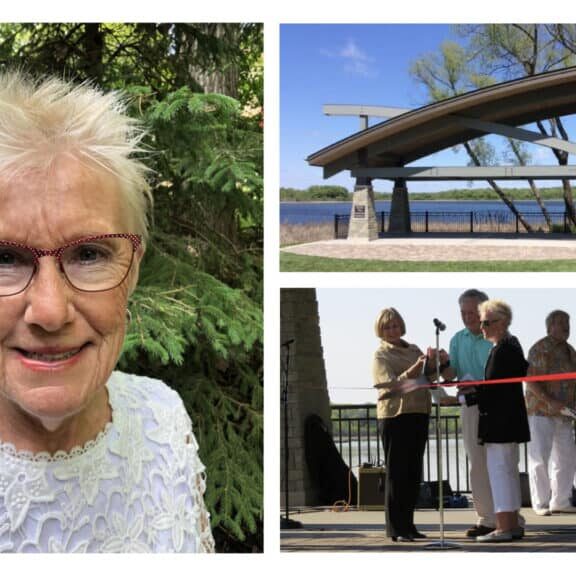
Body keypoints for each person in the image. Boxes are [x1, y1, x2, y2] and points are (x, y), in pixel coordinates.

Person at [0, 71, 214, 553]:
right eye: (5, 259)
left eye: (90, 255)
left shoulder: (162, 417)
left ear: (133, 270)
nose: (50, 311)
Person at [372, 307, 447, 542]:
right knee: (397, 473)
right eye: (387, 327)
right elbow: (389, 386)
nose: (392, 330)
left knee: (413, 473)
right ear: (381, 331)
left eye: (395, 325)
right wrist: (412, 370)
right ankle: (395, 528)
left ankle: (409, 525)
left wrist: (437, 363)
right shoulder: (381, 355)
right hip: (395, 417)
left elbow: (427, 379)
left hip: (418, 413)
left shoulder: (414, 349)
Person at [475, 299, 530, 543]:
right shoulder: (510, 344)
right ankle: (512, 524)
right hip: (507, 422)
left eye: (487, 322)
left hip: (500, 423)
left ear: (502, 322)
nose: (482, 327)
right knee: (507, 471)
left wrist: (469, 393)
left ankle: (504, 526)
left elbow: (496, 390)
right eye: (481, 322)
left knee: (500, 473)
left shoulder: (504, 348)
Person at [444, 289, 496, 538]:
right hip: (470, 406)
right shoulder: (456, 339)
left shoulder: (498, 337)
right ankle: (486, 518)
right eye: (463, 312)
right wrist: (441, 362)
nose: (467, 317)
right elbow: (449, 376)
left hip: (497, 407)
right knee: (477, 463)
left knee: (501, 463)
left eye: (472, 312)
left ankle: (508, 516)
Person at [525, 310, 576, 515]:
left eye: (568, 322)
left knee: (566, 457)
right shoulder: (540, 348)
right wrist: (549, 401)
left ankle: (561, 500)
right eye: (561, 322)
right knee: (539, 457)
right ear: (549, 327)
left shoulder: (570, 350)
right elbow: (531, 381)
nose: (566, 326)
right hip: (541, 411)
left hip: (565, 413)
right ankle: (540, 503)